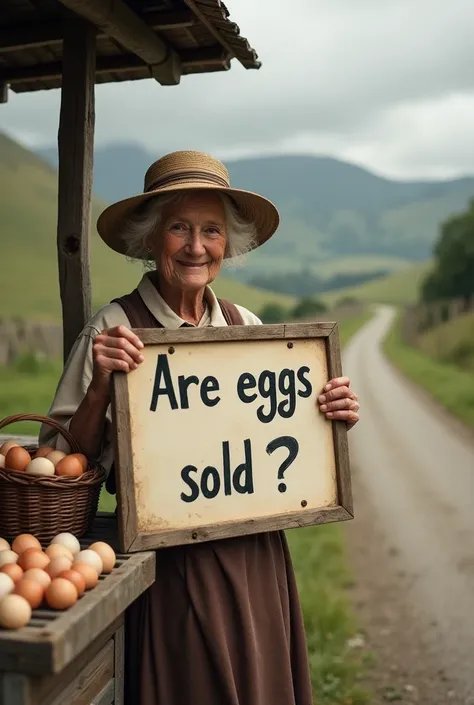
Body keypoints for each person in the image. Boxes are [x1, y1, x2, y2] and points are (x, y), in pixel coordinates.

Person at [40, 150, 360, 705]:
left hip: (256, 554)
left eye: (211, 230)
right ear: (150, 238)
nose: (195, 246)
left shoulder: (246, 328)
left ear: (227, 244)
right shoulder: (115, 328)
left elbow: (280, 430)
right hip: (169, 565)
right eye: (178, 228)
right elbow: (58, 467)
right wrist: (99, 390)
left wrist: (328, 414)